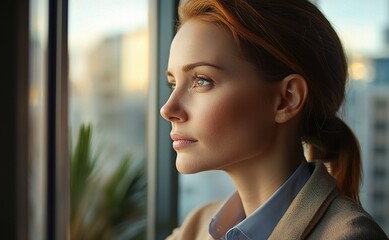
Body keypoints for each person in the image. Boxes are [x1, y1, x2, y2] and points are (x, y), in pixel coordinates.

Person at [160, 0, 389, 239]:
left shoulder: (350, 236)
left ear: (286, 99)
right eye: (173, 83)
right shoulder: (195, 227)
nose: (168, 109)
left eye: (202, 81)